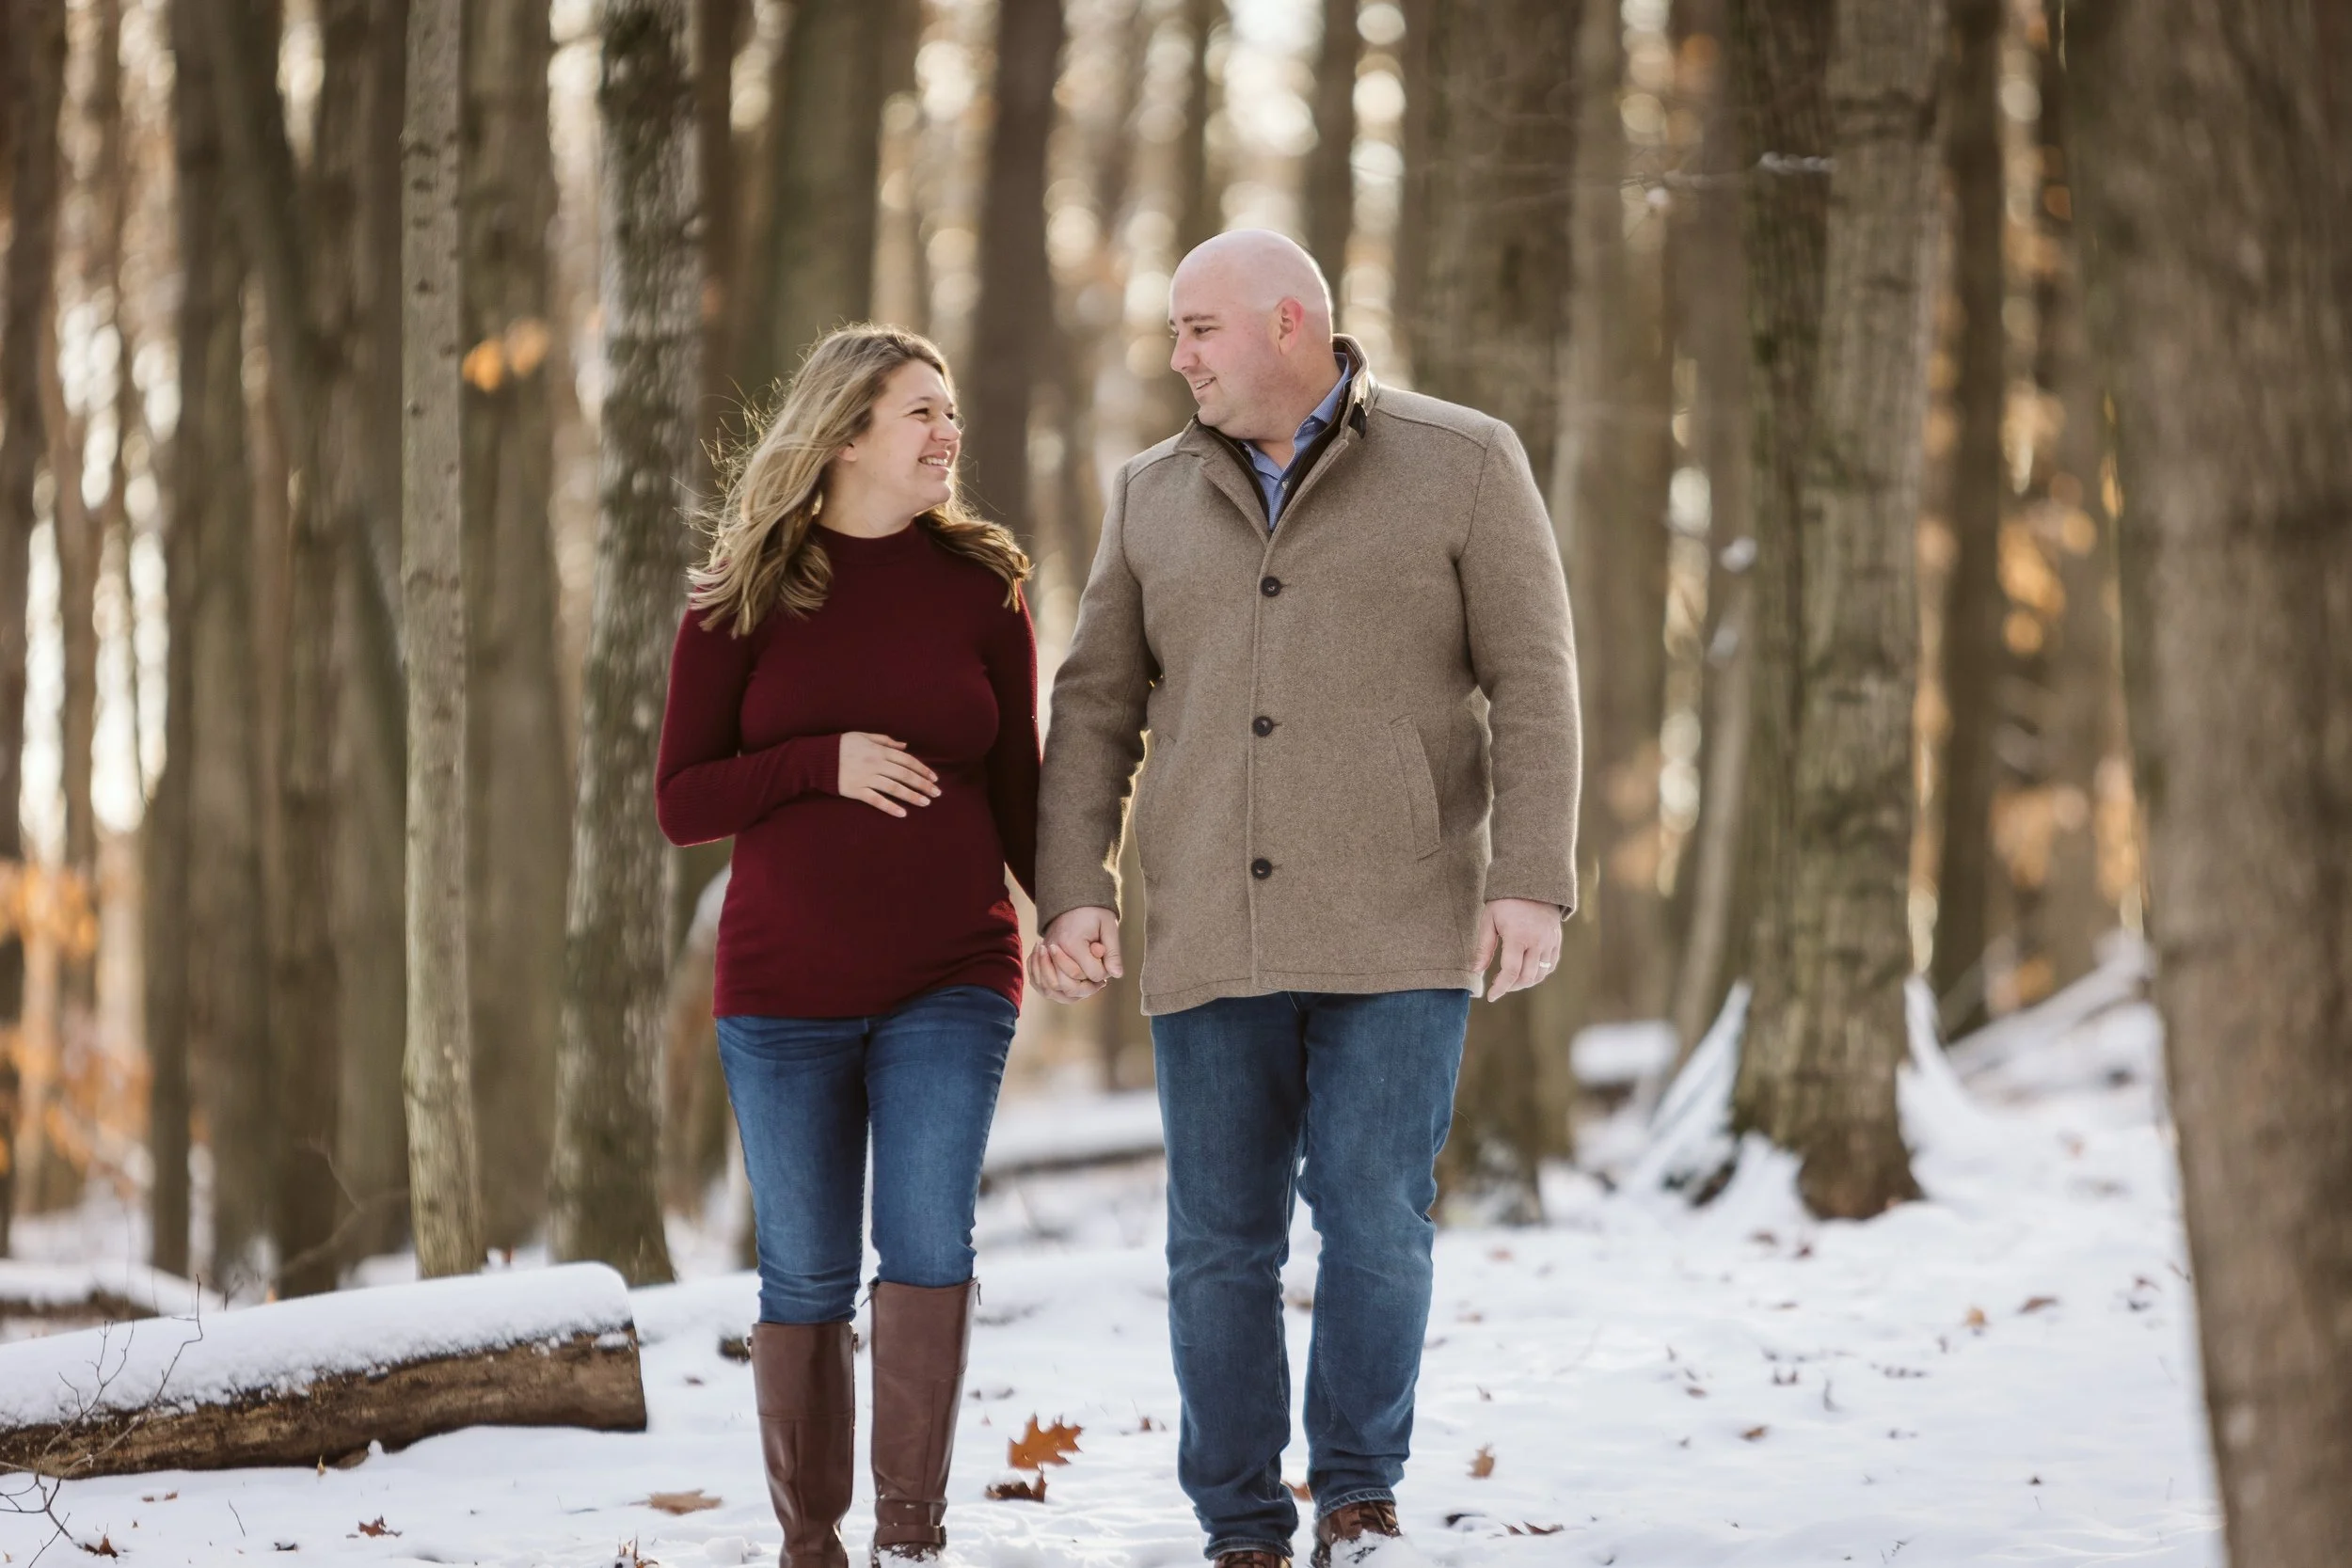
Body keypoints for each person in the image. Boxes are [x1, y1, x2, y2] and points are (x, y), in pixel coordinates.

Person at [1028, 230, 1581, 1568]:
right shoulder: (1149, 492)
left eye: (1197, 331)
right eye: (1173, 334)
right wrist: (1072, 885)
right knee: (1219, 1237)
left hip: (1401, 919)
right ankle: (1238, 1522)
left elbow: (1536, 678)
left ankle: (1356, 1495)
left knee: (1375, 1212)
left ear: (1289, 324)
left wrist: (1531, 882)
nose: (1177, 358)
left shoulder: (1466, 460)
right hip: (1211, 920)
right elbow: (1096, 701)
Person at [656, 325, 1039, 1568]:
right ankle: (811, 1541)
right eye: (921, 412)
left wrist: (1073, 905)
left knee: (929, 1241)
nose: (948, 435)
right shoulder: (740, 596)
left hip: (953, 974)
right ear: (845, 433)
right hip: (782, 993)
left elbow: (1025, 785)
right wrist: (823, 761)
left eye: (952, 414)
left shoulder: (983, 586)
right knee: (806, 1268)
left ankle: (910, 1536)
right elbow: (681, 799)